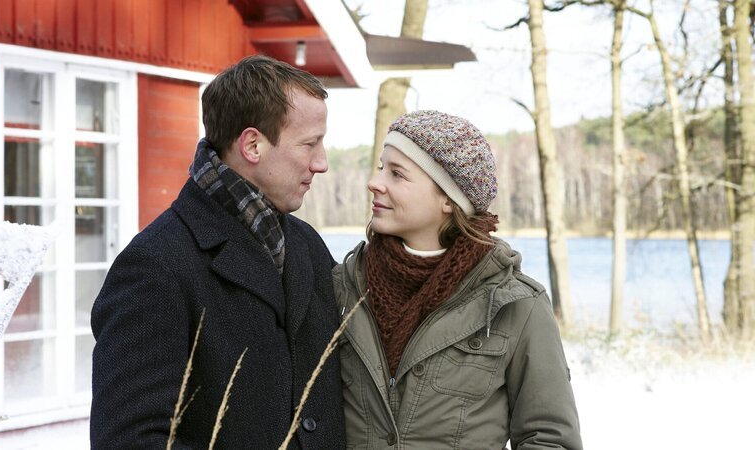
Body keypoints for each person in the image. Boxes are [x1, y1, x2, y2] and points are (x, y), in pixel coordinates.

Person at [91, 55, 345, 449]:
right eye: (310, 143)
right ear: (253, 145)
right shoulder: (155, 266)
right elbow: (131, 440)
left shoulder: (306, 245)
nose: (322, 163)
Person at [333, 110, 582, 449]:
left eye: (397, 174)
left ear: (449, 199)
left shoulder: (517, 306)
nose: (375, 183)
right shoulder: (343, 288)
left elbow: (551, 438)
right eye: (380, 168)